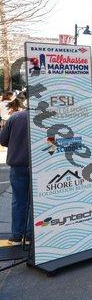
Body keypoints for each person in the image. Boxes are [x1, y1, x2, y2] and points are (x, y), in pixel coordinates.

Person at [0, 100, 31, 244]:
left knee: (19, 201)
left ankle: (17, 235)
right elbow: (52, 143)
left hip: (18, 166)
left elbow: (3, 140)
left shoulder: (15, 117)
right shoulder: (46, 119)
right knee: (35, 202)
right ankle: (31, 234)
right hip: (38, 167)